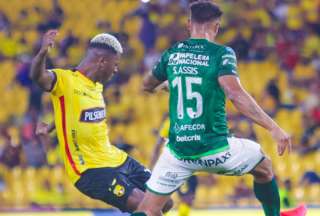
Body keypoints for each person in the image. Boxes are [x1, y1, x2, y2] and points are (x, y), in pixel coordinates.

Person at [132, 2, 306, 216]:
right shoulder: (221, 53)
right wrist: (273, 128)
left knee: (148, 209)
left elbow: (147, 84)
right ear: (216, 27)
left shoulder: (172, 53)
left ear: (189, 24)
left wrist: (171, 84)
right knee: (264, 166)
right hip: (215, 149)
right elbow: (235, 94)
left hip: (178, 153)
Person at [30, 29, 172, 213]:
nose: (116, 69)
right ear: (102, 61)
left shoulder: (97, 87)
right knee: (147, 207)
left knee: (165, 201)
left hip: (115, 158)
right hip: (91, 170)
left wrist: (51, 126)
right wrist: (42, 53)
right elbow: (38, 77)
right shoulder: (65, 80)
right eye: (115, 64)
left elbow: (75, 113)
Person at [150, 117, 198, 216]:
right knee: (164, 200)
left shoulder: (197, 120)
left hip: (191, 167)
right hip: (175, 166)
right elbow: (158, 146)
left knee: (188, 199)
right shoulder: (169, 122)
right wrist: (152, 167)